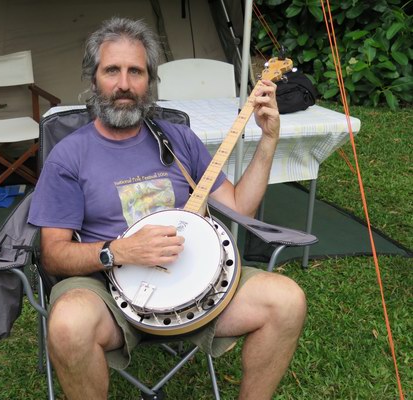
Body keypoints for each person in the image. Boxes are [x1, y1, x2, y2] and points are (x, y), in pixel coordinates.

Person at [28, 17, 306, 400]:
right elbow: (53, 255)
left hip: (195, 281)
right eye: (112, 71)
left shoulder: (178, 138)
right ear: (94, 80)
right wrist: (119, 251)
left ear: (149, 81)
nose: (124, 84)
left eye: (136, 72)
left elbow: (240, 204)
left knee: (287, 300)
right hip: (107, 290)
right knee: (68, 325)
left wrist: (268, 139)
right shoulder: (69, 156)